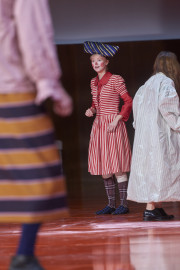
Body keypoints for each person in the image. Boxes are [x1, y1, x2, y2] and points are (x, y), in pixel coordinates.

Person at [0, 1, 73, 270]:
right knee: (40, 174)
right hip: (11, 88)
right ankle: (24, 254)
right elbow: (33, 29)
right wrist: (48, 82)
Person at [127, 51, 180, 221]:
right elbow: (168, 109)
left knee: (153, 169)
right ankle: (151, 208)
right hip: (160, 134)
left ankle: (154, 207)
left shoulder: (145, 85)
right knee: (162, 168)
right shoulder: (165, 83)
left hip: (146, 136)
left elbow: (136, 112)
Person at [84, 41, 132, 215]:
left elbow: (128, 101)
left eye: (99, 60)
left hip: (113, 124)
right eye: (93, 61)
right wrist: (92, 110)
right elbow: (96, 103)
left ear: (106, 62)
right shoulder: (93, 82)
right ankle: (111, 204)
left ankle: (124, 204)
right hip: (99, 125)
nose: (96, 64)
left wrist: (117, 119)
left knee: (116, 165)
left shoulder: (115, 79)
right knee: (105, 168)